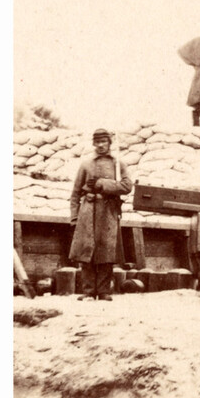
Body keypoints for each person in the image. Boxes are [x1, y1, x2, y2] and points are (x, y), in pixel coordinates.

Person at [69, 128, 133, 300]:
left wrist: (102, 183)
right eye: (97, 142)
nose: (100, 145)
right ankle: (88, 291)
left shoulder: (118, 164)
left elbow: (127, 186)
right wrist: (74, 217)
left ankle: (104, 291)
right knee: (86, 251)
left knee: (107, 252)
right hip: (88, 211)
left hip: (108, 211)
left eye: (103, 141)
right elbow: (75, 193)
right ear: (93, 144)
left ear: (109, 143)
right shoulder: (86, 164)